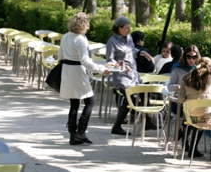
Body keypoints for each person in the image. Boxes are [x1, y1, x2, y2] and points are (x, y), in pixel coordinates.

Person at [59, 12, 111, 145]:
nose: (88, 27)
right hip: (77, 72)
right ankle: (81, 132)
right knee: (90, 102)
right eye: (87, 24)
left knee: (74, 104)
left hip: (67, 70)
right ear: (82, 25)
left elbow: (60, 55)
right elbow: (85, 61)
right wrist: (101, 69)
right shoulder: (81, 39)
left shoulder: (65, 36)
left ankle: (72, 135)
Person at [106, 16, 155, 135]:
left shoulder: (129, 38)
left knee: (144, 93)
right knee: (129, 98)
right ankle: (117, 126)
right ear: (119, 28)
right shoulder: (111, 42)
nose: (129, 30)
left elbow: (132, 51)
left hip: (133, 74)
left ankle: (147, 120)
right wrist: (122, 66)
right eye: (126, 28)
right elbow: (109, 62)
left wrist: (141, 52)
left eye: (129, 28)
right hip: (121, 77)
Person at [178, 57, 211, 161]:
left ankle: (192, 149)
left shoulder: (187, 76)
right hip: (208, 115)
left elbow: (181, 99)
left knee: (201, 118)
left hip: (192, 116)